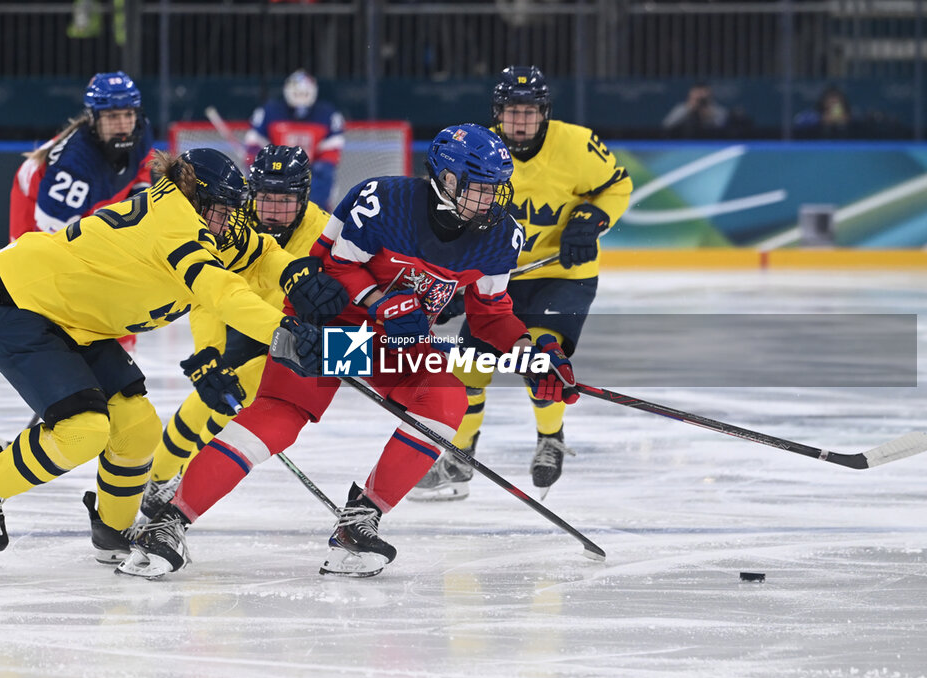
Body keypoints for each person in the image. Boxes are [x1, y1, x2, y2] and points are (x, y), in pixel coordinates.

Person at [117, 123, 580, 580]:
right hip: (329, 328)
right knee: (276, 419)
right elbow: (332, 271)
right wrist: (381, 300)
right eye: (482, 189)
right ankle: (168, 522)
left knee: (445, 399)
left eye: (498, 189)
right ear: (448, 179)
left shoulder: (501, 237)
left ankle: (359, 523)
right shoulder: (384, 200)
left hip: (391, 342)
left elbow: (491, 314)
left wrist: (535, 353)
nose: (495, 201)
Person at [0, 148, 346, 566]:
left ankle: (112, 531)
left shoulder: (207, 218)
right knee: (84, 431)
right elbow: (220, 292)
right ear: (199, 200)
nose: (229, 223)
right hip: (25, 303)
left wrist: (292, 273)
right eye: (222, 212)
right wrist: (284, 334)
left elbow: (259, 251)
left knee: (139, 428)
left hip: (78, 318)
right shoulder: (174, 225)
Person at [412, 66, 633, 502]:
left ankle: (550, 438)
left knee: (540, 355)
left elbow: (617, 185)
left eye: (529, 111)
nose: (520, 121)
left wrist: (591, 218)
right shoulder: (478, 150)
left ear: (544, 113)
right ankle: (459, 456)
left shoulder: (577, 145)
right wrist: (451, 277)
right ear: (498, 112)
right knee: (469, 368)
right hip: (495, 273)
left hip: (561, 272)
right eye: (512, 111)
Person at [140, 144, 330, 517]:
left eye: (285, 201)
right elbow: (203, 291)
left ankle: (185, 483)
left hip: (293, 328)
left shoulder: (324, 232)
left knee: (237, 398)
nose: (273, 212)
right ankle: (160, 480)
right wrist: (208, 352)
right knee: (204, 402)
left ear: (305, 195)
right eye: (265, 199)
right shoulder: (228, 218)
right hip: (238, 318)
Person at [9, 71, 157, 352]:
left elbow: (143, 163)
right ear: (94, 119)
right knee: (42, 291)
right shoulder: (72, 167)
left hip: (89, 202)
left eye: (128, 114)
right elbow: (50, 246)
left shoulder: (141, 129)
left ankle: (117, 343)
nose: (123, 124)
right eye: (112, 117)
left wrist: (139, 195)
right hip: (37, 210)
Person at [243, 69, 344, 211]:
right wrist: (260, 164)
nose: (301, 98)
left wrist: (311, 176)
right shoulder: (269, 112)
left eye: (305, 93)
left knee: (323, 180)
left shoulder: (327, 115)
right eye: (297, 93)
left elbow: (331, 154)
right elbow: (255, 145)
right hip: (275, 173)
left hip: (312, 175)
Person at [662, 82, 729, 138]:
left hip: (711, 143)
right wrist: (689, 108)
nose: (700, 96)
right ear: (691, 94)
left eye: (703, 93)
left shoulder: (718, 109)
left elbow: (723, 127)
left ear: (709, 94)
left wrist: (709, 115)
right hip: (685, 143)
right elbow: (667, 125)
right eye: (697, 93)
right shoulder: (682, 108)